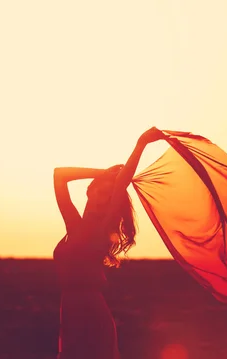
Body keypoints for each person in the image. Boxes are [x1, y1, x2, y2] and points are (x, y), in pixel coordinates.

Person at [53, 127, 165, 359]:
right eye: (98, 193)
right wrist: (104, 172)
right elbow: (59, 174)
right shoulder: (73, 223)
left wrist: (141, 144)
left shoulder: (103, 225)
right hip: (70, 308)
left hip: (90, 309)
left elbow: (122, 182)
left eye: (107, 196)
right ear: (89, 193)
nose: (101, 199)